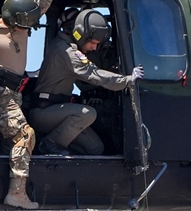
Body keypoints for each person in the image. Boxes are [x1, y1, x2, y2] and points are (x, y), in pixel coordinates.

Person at [0, 0, 52, 209]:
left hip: (16, 93)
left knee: (10, 141)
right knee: (25, 135)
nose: (25, 29)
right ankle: (17, 193)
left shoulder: (23, 22)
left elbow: (44, 2)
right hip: (0, 92)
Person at [30, 9, 141, 155]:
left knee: (95, 148)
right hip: (44, 113)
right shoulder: (67, 52)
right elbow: (95, 75)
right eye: (93, 43)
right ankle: (49, 144)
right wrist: (127, 80)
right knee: (87, 114)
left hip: (55, 112)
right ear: (81, 36)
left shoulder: (63, 45)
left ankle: (59, 148)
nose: (94, 48)